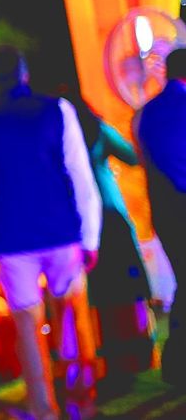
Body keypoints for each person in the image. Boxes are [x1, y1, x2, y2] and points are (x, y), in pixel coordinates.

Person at [0, 47, 102, 420]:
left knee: (27, 325)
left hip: (13, 237)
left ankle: (45, 408)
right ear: (24, 75)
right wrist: (90, 237)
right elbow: (80, 176)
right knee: (71, 314)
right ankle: (82, 397)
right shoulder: (57, 110)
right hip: (61, 230)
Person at [67, 93, 153, 388]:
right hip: (111, 209)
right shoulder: (98, 130)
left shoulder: (64, 135)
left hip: (81, 219)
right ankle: (140, 349)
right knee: (129, 282)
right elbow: (132, 156)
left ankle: (107, 355)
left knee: (100, 288)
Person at [136, 47, 186, 386]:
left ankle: (176, 363)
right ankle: (176, 364)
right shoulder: (178, 106)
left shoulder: (147, 112)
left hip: (165, 213)